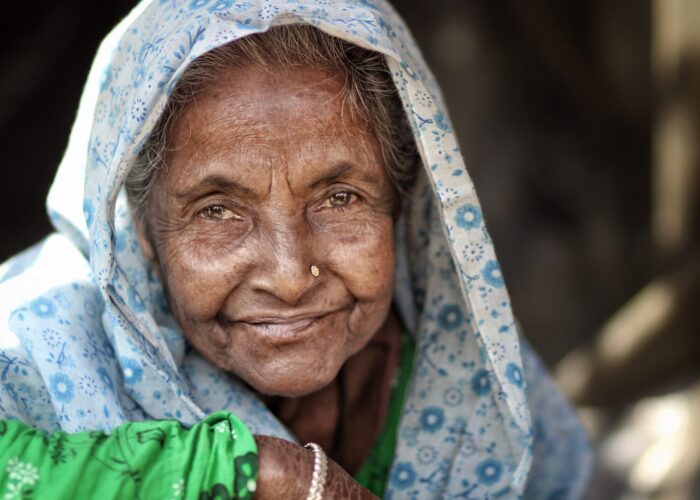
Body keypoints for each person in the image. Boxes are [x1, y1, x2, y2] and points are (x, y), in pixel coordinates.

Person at [0, 0, 591, 498]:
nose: (289, 277)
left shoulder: (468, 375)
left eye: (339, 198)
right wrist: (255, 473)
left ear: (402, 205)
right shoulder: (33, 346)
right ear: (140, 236)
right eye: (217, 211)